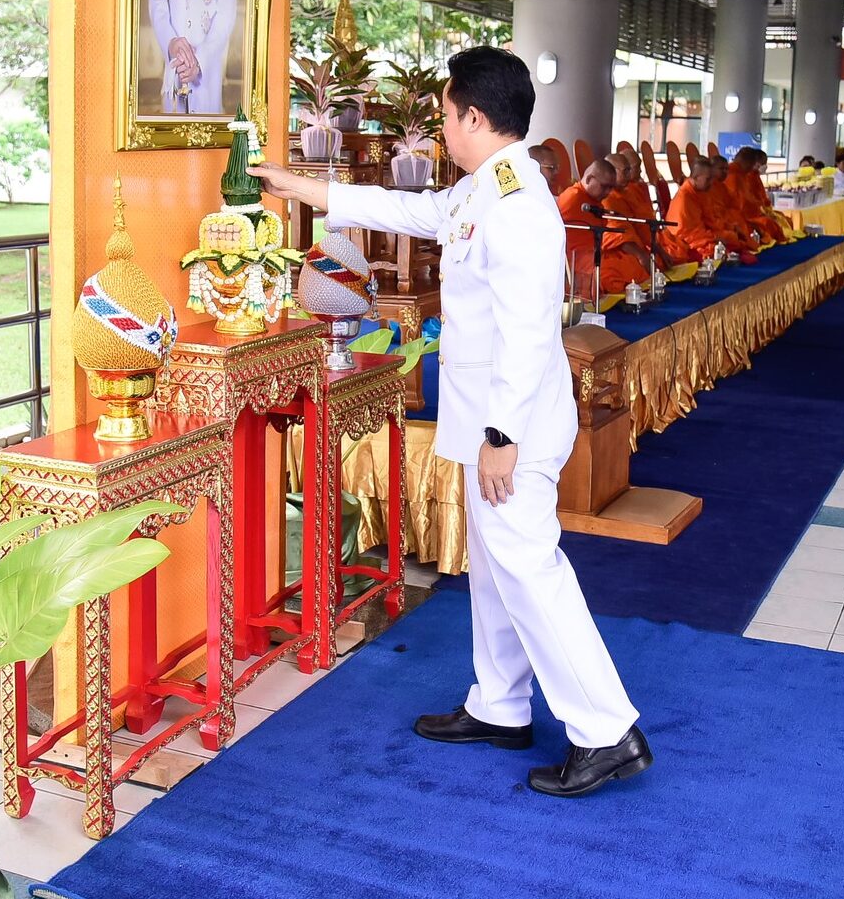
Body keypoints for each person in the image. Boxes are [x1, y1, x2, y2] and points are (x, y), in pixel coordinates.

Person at [250, 47, 651, 798]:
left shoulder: (521, 208)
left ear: (473, 115)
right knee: (499, 568)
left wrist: (501, 438)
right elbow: (414, 211)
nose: (438, 127)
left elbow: (530, 333)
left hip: (513, 427)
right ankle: (498, 704)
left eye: (443, 113)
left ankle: (606, 729)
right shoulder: (485, 190)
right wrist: (308, 187)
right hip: (485, 420)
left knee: (530, 569)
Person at [558, 159, 651, 297]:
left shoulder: (595, 203)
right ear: (589, 179)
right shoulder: (572, 198)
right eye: (605, 186)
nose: (608, 192)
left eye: (611, 188)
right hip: (575, 260)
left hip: (595, 254)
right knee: (611, 272)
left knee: (630, 263)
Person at [666, 156, 740, 257]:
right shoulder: (684, 197)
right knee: (713, 249)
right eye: (708, 179)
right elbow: (685, 234)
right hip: (687, 240)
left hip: (705, 234)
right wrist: (714, 237)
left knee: (732, 237)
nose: (711, 183)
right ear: (696, 177)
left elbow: (711, 219)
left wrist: (729, 228)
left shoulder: (701, 192)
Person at [725, 147, 787, 243]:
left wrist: (762, 207)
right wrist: (759, 206)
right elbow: (740, 202)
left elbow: (750, 197)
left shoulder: (743, 174)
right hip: (737, 217)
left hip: (748, 213)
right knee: (767, 223)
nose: (752, 168)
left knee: (778, 219)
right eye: (752, 164)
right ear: (746, 162)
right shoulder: (732, 174)